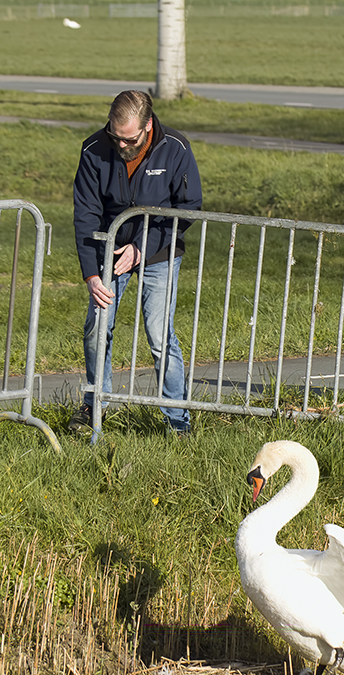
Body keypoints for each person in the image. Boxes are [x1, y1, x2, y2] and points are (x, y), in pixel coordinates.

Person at [69, 90, 202, 435]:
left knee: (160, 337)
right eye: (116, 136)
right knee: (97, 327)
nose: (121, 144)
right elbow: (85, 216)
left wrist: (142, 247)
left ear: (147, 126)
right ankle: (96, 406)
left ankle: (178, 421)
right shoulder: (93, 149)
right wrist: (92, 276)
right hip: (109, 254)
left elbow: (187, 208)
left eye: (129, 139)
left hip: (159, 251)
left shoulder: (175, 147)